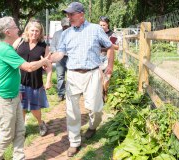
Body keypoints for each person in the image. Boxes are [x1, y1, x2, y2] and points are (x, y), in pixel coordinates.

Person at [49, 2, 114, 157]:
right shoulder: (66, 33)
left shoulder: (95, 29)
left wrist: (110, 64)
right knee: (72, 110)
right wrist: (49, 59)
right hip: (72, 74)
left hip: (92, 74)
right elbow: (60, 54)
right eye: (68, 15)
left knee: (95, 108)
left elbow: (109, 46)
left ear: (81, 15)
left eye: (72, 14)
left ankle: (93, 126)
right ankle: (74, 142)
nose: (69, 17)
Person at [0, 16, 52, 160]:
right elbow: (29, 67)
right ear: (8, 32)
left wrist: (16, 91)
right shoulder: (6, 49)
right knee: (7, 134)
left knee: (19, 130)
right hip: (4, 99)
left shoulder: (7, 47)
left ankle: (18, 157)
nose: (18, 29)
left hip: (13, 95)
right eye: (15, 27)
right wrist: (44, 61)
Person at [12, 20, 52, 137]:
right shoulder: (19, 42)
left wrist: (48, 80)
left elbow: (48, 65)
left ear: (40, 32)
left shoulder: (43, 46)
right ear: (27, 31)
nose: (34, 33)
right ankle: (21, 130)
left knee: (34, 108)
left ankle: (40, 123)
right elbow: (9, 54)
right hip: (19, 80)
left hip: (35, 80)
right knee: (21, 107)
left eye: (37, 31)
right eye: (32, 30)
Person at [99, 17, 120, 102]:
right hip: (99, 56)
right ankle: (101, 95)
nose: (102, 27)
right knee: (101, 77)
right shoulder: (98, 33)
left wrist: (109, 43)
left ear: (108, 24)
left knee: (107, 76)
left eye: (104, 25)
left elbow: (117, 47)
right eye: (100, 25)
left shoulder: (112, 34)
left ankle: (105, 92)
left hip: (108, 56)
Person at [51, 18, 70, 102]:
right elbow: (53, 45)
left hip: (70, 57)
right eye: (64, 25)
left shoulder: (73, 33)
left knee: (71, 76)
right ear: (62, 25)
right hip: (59, 58)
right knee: (60, 76)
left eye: (67, 25)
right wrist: (57, 54)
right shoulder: (57, 34)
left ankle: (71, 94)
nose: (66, 27)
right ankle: (61, 94)